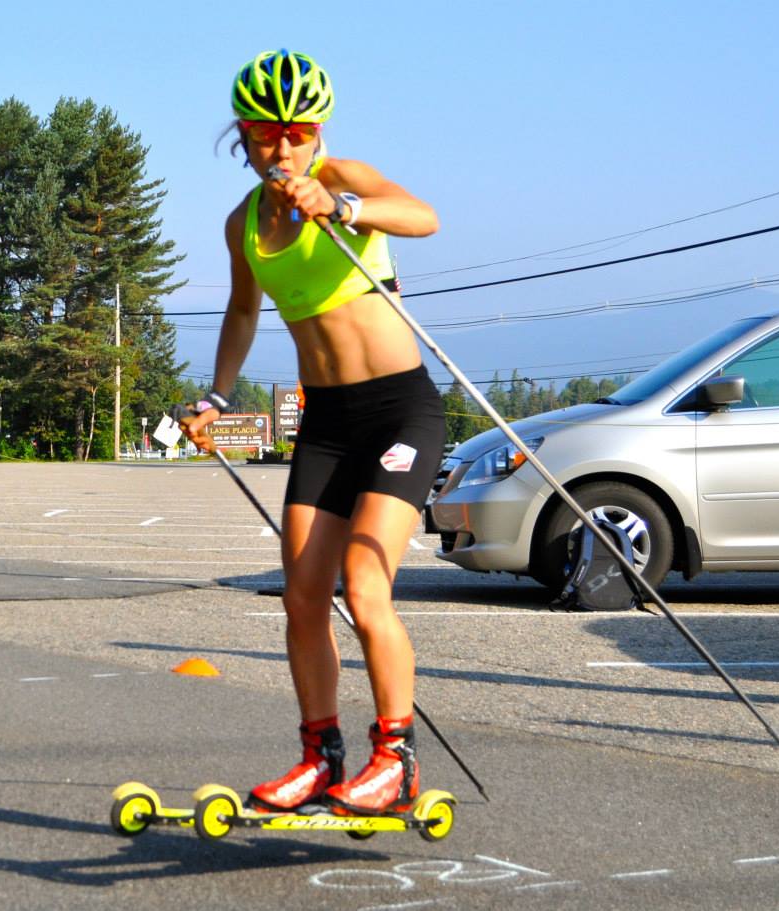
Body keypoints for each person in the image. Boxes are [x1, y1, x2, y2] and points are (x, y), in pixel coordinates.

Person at [179, 49, 445, 816]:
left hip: (400, 408)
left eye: (298, 132)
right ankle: (320, 755)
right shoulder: (245, 224)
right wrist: (214, 395)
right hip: (328, 422)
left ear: (318, 130)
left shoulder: (344, 178)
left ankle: (394, 757)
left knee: (365, 588)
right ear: (244, 134)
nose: (284, 149)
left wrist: (346, 210)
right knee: (301, 594)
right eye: (266, 134)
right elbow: (241, 312)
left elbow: (423, 218)